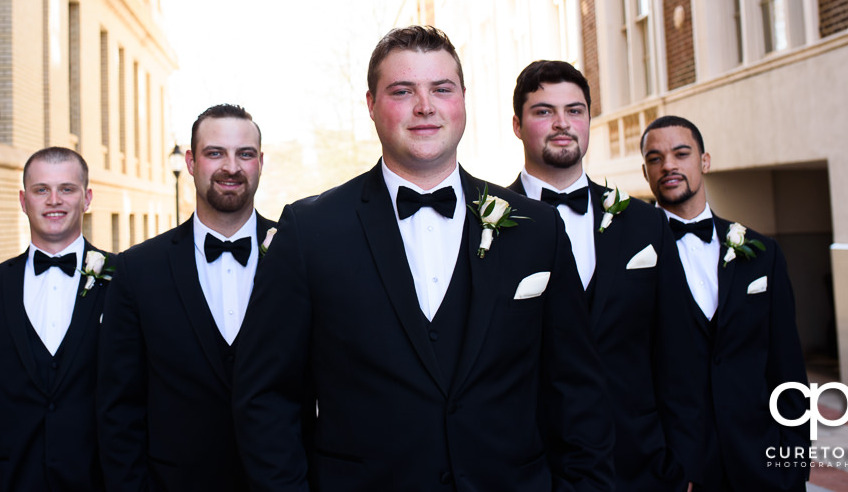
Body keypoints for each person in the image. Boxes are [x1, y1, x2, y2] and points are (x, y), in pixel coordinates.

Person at [234, 26, 614, 492]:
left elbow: (577, 390)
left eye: (441, 89)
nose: (424, 106)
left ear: (463, 101)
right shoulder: (309, 231)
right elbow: (266, 398)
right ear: (371, 105)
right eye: (402, 91)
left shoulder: (538, 230)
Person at [508, 60, 697, 491]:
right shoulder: (486, 228)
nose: (562, 124)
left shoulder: (646, 225)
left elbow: (678, 354)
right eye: (544, 111)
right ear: (517, 125)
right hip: (535, 468)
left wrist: (683, 463)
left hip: (643, 466)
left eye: (575, 111)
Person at [99, 104, 278, 492]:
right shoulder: (137, 270)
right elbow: (118, 408)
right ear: (192, 162)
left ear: (260, 162)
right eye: (215, 153)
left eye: (244, 154)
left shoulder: (297, 257)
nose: (231, 167)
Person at [640, 116, 808, 492]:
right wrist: (661, 469)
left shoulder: (763, 253)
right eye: (656, 158)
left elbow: (788, 367)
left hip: (764, 466)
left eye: (681, 153)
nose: (669, 165)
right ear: (646, 171)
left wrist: (795, 462)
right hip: (679, 472)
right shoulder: (631, 257)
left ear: (704, 161)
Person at [0, 147, 111, 491]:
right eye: (41, 190)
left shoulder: (126, 282)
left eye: (67, 189)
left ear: (87, 198)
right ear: (23, 200)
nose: (54, 200)